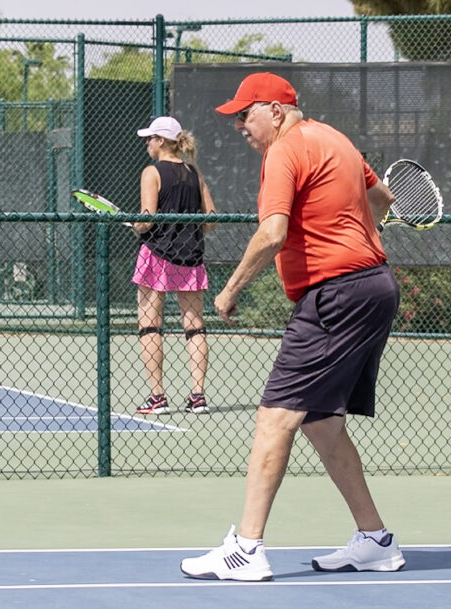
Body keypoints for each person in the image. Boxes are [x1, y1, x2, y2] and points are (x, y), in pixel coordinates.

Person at [179, 73, 404, 581]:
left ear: (275, 111)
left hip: (336, 296)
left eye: (245, 114)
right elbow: (383, 200)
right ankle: (375, 540)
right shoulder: (336, 140)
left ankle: (245, 549)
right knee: (320, 422)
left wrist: (230, 288)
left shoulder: (283, 151)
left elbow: (272, 232)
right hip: (374, 289)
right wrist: (355, 229)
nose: (239, 125)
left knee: (274, 418)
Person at [130, 116, 218, 416]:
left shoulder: (151, 172)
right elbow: (211, 220)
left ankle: (157, 397)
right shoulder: (194, 173)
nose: (147, 143)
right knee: (195, 327)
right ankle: (198, 397)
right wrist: (187, 231)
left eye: (150, 138)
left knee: (149, 325)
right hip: (190, 256)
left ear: (162, 141)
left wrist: (136, 225)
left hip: (156, 255)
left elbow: (147, 219)